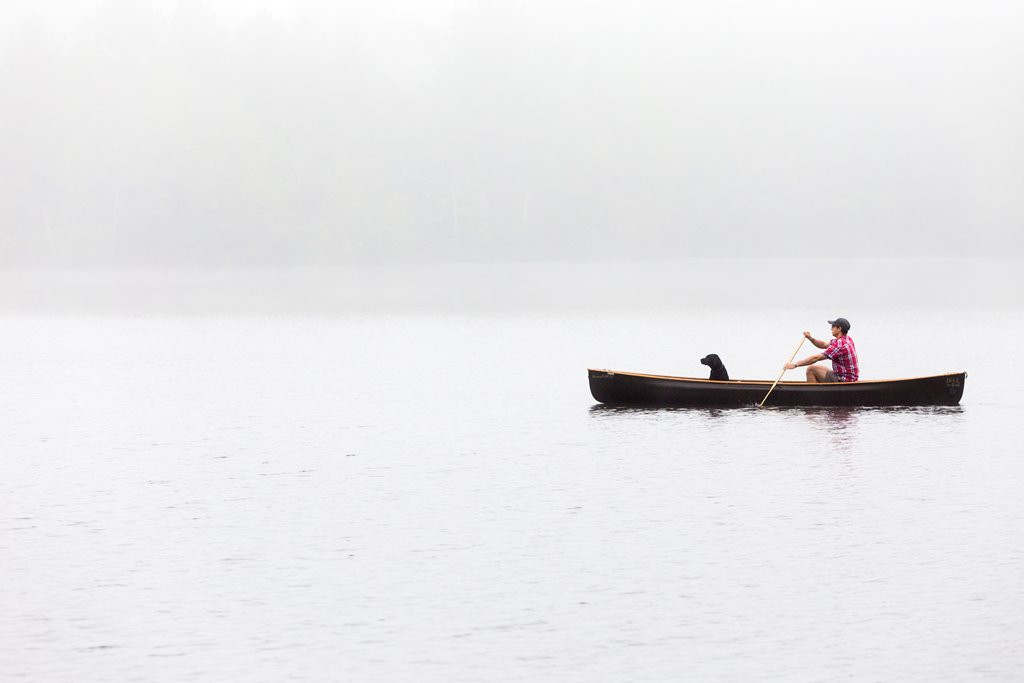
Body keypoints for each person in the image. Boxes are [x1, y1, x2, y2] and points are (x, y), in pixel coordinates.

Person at [784, 317, 859, 383]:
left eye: (833, 326)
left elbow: (816, 358)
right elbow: (823, 344)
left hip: (845, 380)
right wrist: (810, 338)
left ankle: (813, 397)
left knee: (811, 369)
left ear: (839, 329)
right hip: (849, 377)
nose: (831, 328)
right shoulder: (847, 339)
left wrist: (795, 364)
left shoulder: (839, 344)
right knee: (817, 370)